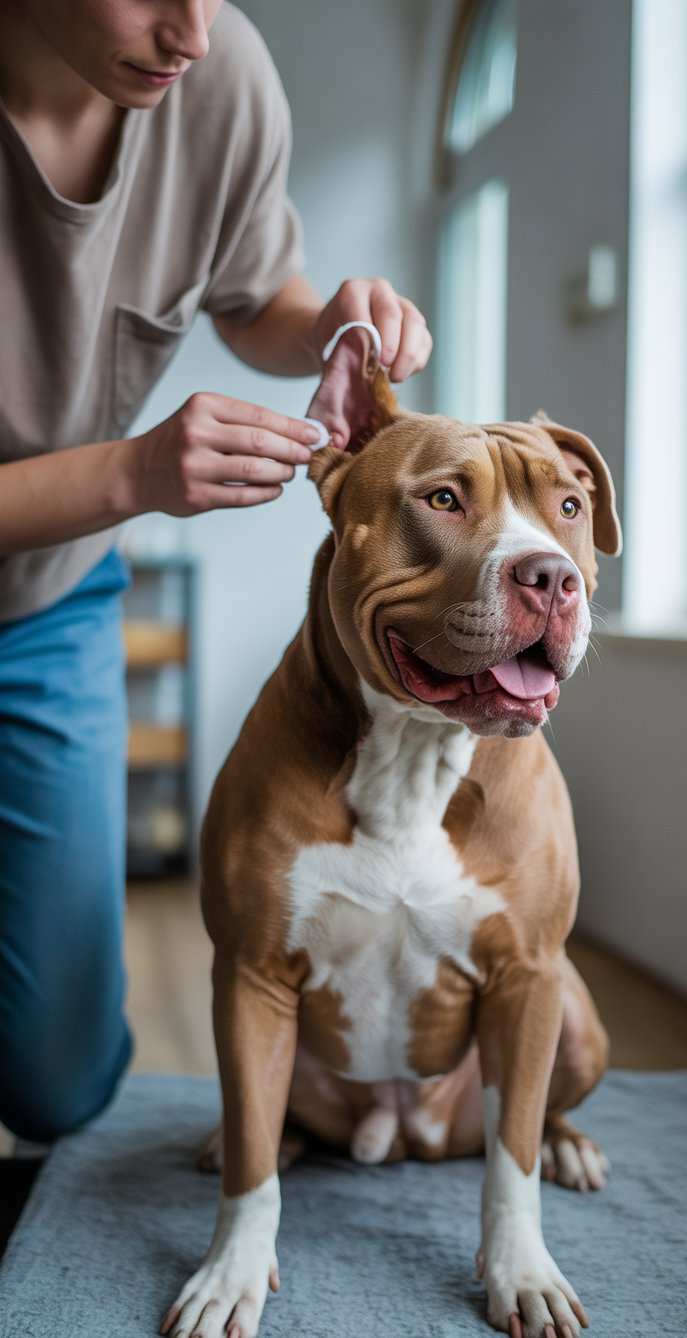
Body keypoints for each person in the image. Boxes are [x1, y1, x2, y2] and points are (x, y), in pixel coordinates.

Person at [0, 0, 432, 1143]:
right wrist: (134, 472)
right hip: (86, 532)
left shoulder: (220, 71)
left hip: (47, 607)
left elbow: (258, 303)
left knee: (57, 1086)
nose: (190, 31)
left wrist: (329, 322)